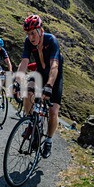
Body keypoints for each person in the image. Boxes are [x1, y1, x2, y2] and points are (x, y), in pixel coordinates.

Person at [14, 14, 64, 158]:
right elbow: (24, 62)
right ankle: (31, 122)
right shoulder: (28, 42)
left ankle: (48, 140)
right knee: (28, 89)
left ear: (40, 30)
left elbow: (54, 65)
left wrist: (49, 86)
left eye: (32, 33)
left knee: (53, 111)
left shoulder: (51, 40)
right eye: (28, 34)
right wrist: (17, 81)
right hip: (40, 73)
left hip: (55, 75)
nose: (30, 37)